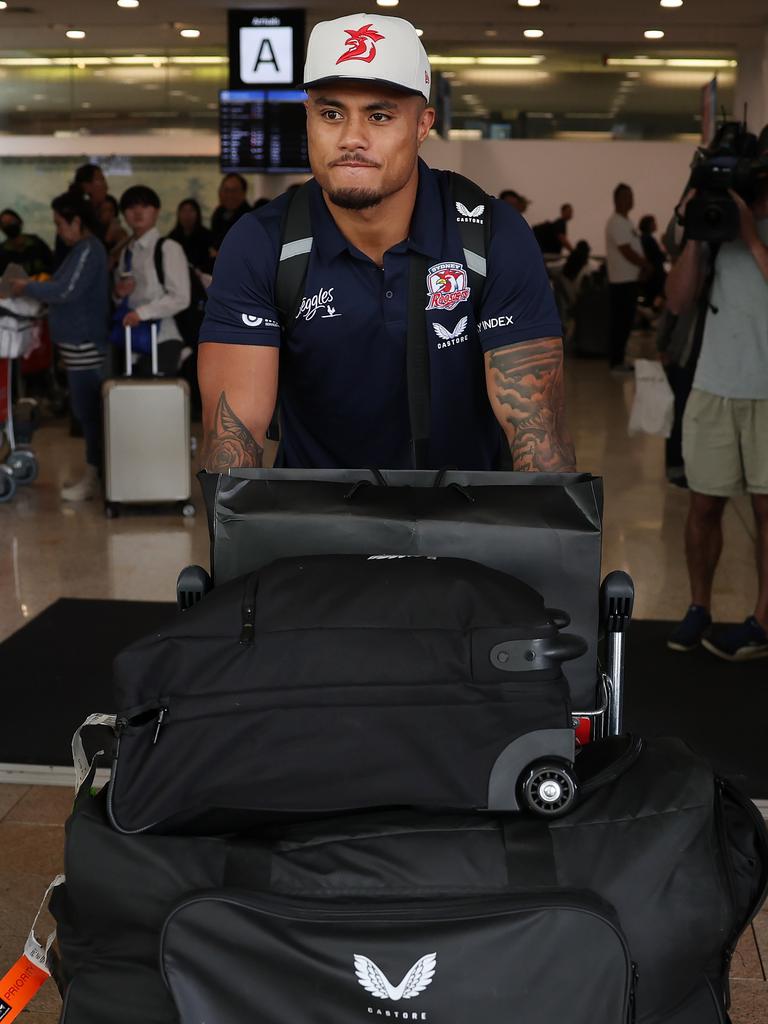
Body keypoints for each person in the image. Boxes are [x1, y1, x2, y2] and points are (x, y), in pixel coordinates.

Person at [198, 13, 574, 475]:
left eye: (379, 116)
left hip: (467, 528)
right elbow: (232, 446)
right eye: (331, 113)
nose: (352, 138)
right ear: (308, 119)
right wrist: (246, 545)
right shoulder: (262, 244)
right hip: (314, 531)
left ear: (422, 125)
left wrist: (529, 546)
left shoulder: (491, 235)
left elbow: (539, 439)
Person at [665, 180, 768, 660]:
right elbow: (676, 301)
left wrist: (751, 236)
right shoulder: (714, 227)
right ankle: (698, 606)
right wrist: (693, 234)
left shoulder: (748, 232)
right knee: (703, 508)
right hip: (712, 386)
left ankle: (761, 622)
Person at [10, 191, 108, 501]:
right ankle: (97, 475)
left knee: (91, 415)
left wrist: (27, 286)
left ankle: (94, 476)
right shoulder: (79, 250)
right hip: (75, 345)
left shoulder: (89, 250)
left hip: (86, 344)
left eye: (60, 224)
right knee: (86, 412)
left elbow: (65, 290)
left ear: (77, 221)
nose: (58, 231)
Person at [114, 185, 190, 376]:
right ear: (124, 214)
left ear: (156, 211)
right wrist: (118, 294)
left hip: (162, 338)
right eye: (131, 207)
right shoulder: (127, 252)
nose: (138, 212)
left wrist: (141, 313)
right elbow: (122, 298)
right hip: (132, 339)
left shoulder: (168, 248)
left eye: (145, 206)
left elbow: (181, 297)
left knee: (156, 400)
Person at [604, 183, 650, 372]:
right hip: (621, 282)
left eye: (631, 196)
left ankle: (619, 357)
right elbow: (626, 250)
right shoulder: (616, 222)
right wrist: (645, 264)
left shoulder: (627, 221)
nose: (630, 200)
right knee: (621, 322)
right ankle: (616, 361)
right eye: (626, 196)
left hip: (629, 280)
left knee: (626, 321)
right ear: (617, 200)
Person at [169, 197, 214, 275]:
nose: (187, 215)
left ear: (197, 214)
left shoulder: (207, 237)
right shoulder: (172, 238)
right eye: (184, 211)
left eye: (191, 211)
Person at [0, 209, 53, 276]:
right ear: (1, 228)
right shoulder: (2, 252)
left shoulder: (35, 242)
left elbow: (52, 264)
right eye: (5, 223)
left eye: (11, 221)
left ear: (20, 221)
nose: (9, 225)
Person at [210, 174, 251, 254]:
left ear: (243, 194)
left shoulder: (249, 218)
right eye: (226, 190)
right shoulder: (218, 213)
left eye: (234, 191)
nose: (229, 195)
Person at [638, 214, 666, 310]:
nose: (655, 225)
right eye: (653, 223)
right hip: (654, 275)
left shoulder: (643, 239)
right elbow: (658, 256)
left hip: (650, 274)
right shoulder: (649, 239)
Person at [99, 194, 129, 268]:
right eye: (104, 211)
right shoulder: (93, 232)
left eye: (111, 210)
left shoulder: (120, 232)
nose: (108, 214)